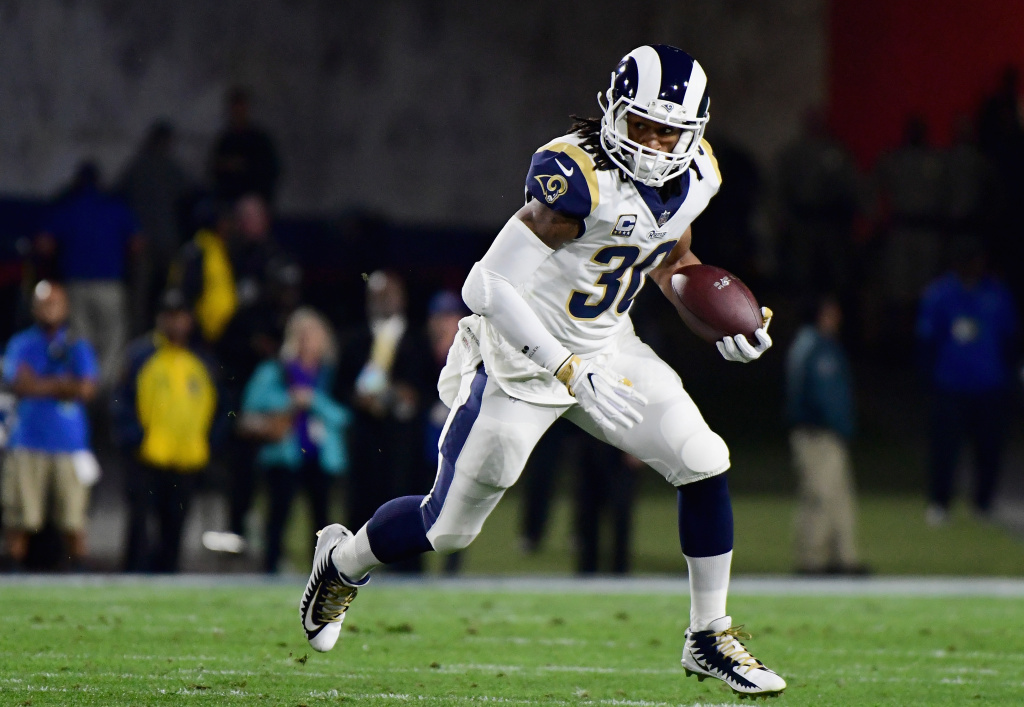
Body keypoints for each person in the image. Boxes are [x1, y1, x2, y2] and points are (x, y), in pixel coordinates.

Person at [298, 45, 784, 697]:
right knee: (448, 528)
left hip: (608, 349)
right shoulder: (576, 177)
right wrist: (565, 367)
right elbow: (486, 286)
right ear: (613, 112)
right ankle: (344, 560)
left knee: (704, 458)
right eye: (641, 125)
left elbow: (671, 256)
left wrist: (725, 315)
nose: (654, 143)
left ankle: (708, 635)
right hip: (520, 364)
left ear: (694, 131)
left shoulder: (697, 175)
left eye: (669, 130)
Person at [238, 308, 352, 573]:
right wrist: (291, 400)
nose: (308, 342)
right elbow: (253, 405)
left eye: (313, 335)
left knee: (323, 521)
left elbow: (344, 416)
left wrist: (313, 400)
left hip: (320, 456)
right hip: (284, 454)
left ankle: (324, 574)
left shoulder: (331, 374)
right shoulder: (276, 371)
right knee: (278, 517)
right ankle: (270, 569)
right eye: (302, 335)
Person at [333, 270, 432, 573]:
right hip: (366, 437)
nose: (383, 300)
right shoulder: (354, 339)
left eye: (389, 294)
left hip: (404, 441)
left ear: (401, 298)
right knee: (362, 506)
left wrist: (409, 396)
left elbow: (432, 386)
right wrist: (357, 399)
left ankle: (409, 571)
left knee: (407, 505)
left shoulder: (418, 340)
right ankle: (354, 572)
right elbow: (340, 386)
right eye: (377, 295)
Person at [916, 239, 1018, 526]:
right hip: (950, 386)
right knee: (945, 449)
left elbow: (1010, 339)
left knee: (989, 448)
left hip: (989, 386)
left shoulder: (996, 294)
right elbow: (926, 341)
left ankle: (983, 503)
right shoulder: (940, 294)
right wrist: (931, 380)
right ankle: (939, 503)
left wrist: (1005, 377)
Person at [113, 290, 217, 572]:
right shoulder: (141, 354)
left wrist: (208, 443)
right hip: (147, 456)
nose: (175, 323)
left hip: (187, 459)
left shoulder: (201, 360)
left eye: (180, 316)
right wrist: (133, 438)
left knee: (175, 527)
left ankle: (168, 576)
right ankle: (133, 576)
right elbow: (122, 399)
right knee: (140, 525)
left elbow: (218, 405)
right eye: (169, 316)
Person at [1, 281, 98, 571]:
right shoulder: (22, 343)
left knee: (73, 520)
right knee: (21, 519)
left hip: (70, 443)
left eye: (55, 302)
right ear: (34, 307)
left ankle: (79, 577)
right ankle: (12, 576)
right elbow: (20, 384)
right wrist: (63, 384)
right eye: (44, 303)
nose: (50, 309)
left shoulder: (77, 344)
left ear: (65, 306)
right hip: (28, 440)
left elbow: (87, 389)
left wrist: (41, 384)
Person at [36, 162, 143, 388]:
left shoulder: (69, 205)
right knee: (112, 341)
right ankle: (104, 395)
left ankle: (87, 389)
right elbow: (137, 244)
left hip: (77, 285)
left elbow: (44, 244)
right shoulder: (114, 206)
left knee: (82, 338)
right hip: (109, 285)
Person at [785, 295, 867, 575]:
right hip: (816, 434)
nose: (836, 317)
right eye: (831, 312)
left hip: (826, 434)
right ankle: (812, 560)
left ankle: (842, 558)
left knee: (839, 498)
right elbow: (820, 396)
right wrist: (839, 423)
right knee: (819, 497)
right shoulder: (814, 347)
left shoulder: (819, 345)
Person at [115, 121, 196, 335]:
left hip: (146, 243)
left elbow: (116, 193)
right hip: (164, 243)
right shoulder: (162, 167)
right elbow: (192, 194)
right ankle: (161, 336)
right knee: (167, 293)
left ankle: (143, 337)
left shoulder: (140, 166)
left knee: (143, 297)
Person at [208, 88, 281, 204]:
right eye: (235, 110)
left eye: (241, 109)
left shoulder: (260, 140)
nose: (238, 114)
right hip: (229, 200)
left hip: (254, 199)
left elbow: (270, 169)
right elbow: (214, 170)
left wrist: (244, 166)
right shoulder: (225, 140)